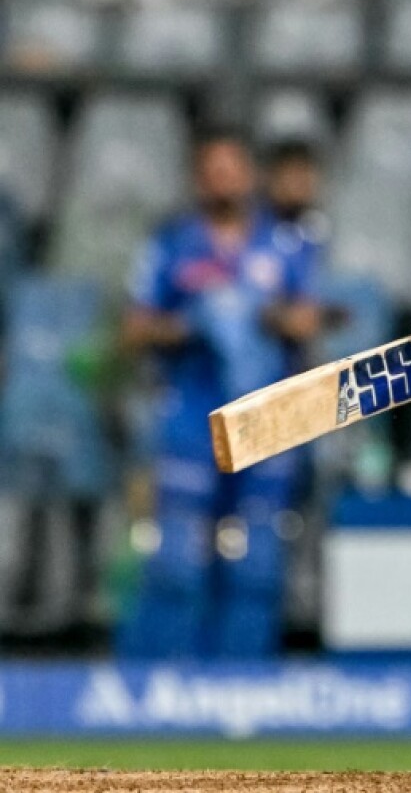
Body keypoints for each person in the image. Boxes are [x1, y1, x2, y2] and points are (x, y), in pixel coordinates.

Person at [117, 127, 324, 657]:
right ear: (198, 178)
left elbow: (307, 319)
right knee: (179, 556)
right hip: (191, 415)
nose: (223, 181)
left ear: (249, 176)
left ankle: (243, 681)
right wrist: (191, 324)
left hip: (265, 418)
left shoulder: (282, 243)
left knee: (257, 556)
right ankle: (167, 681)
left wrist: (261, 316)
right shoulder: (172, 243)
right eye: (212, 172)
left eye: (231, 170)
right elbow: (135, 328)